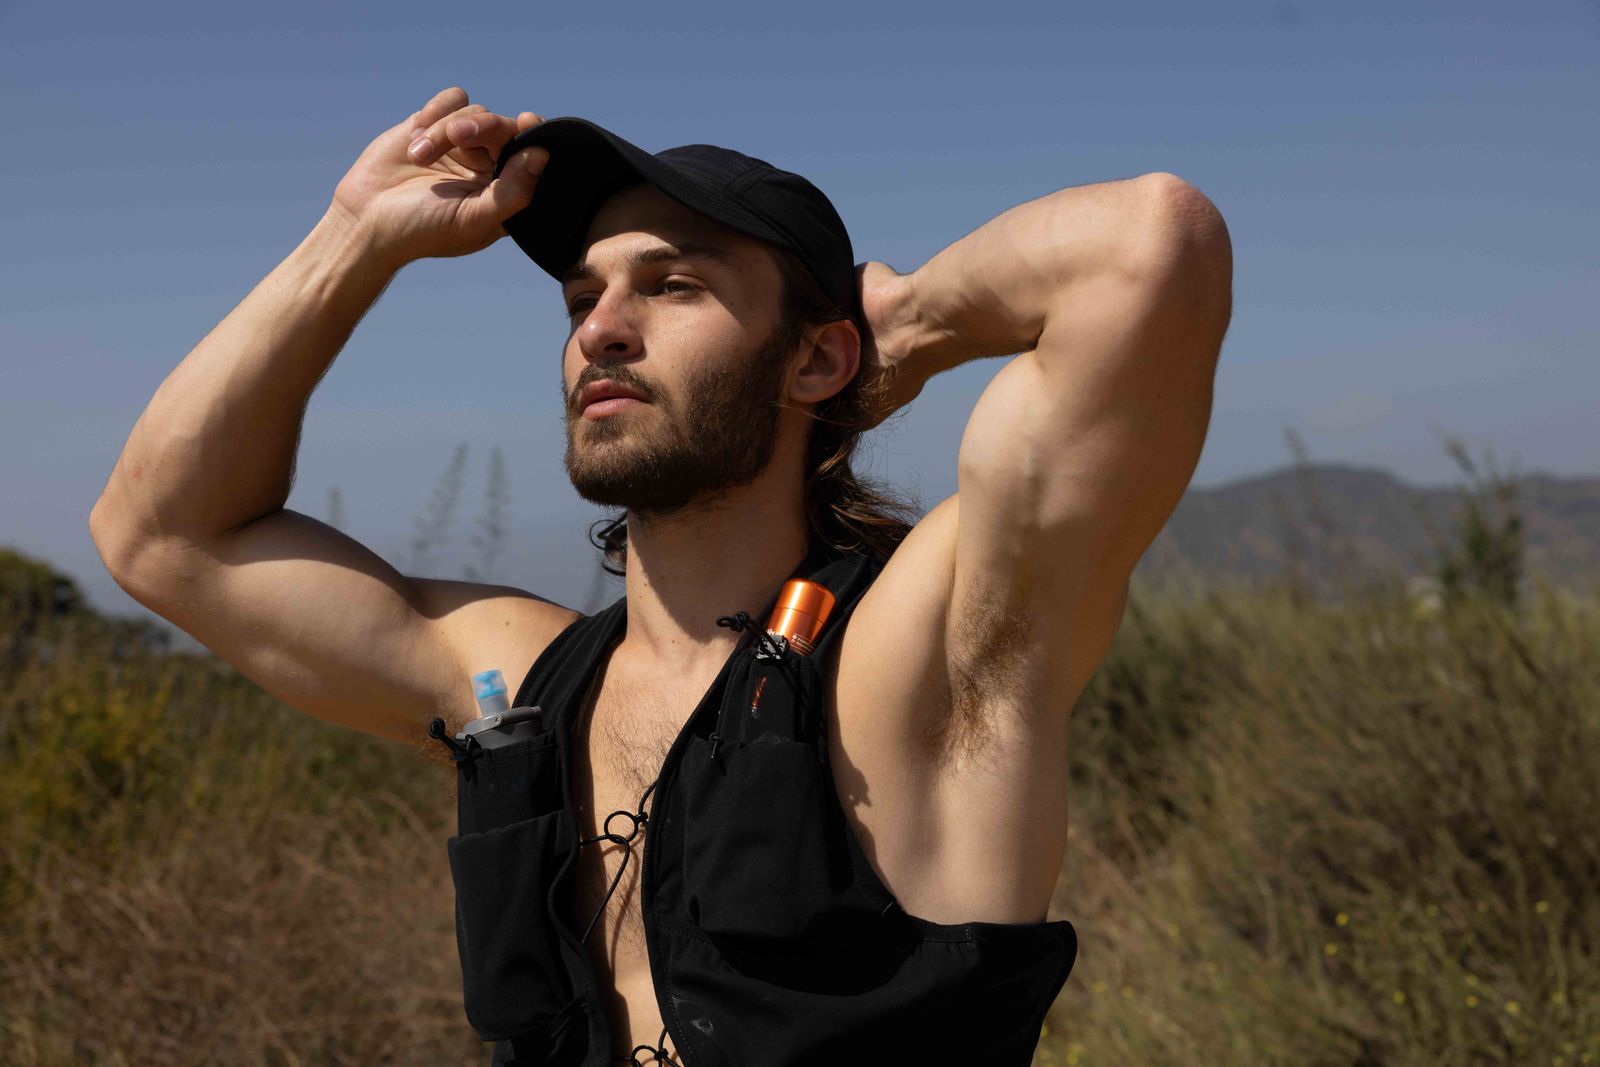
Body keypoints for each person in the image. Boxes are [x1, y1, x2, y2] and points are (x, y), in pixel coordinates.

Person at [89, 86, 1232, 1064]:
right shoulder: (523, 685)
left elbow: (1149, 246)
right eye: (584, 298)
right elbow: (159, 533)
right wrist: (353, 238)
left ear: (816, 353)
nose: (602, 331)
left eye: (672, 285)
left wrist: (906, 324)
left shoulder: (912, 652)